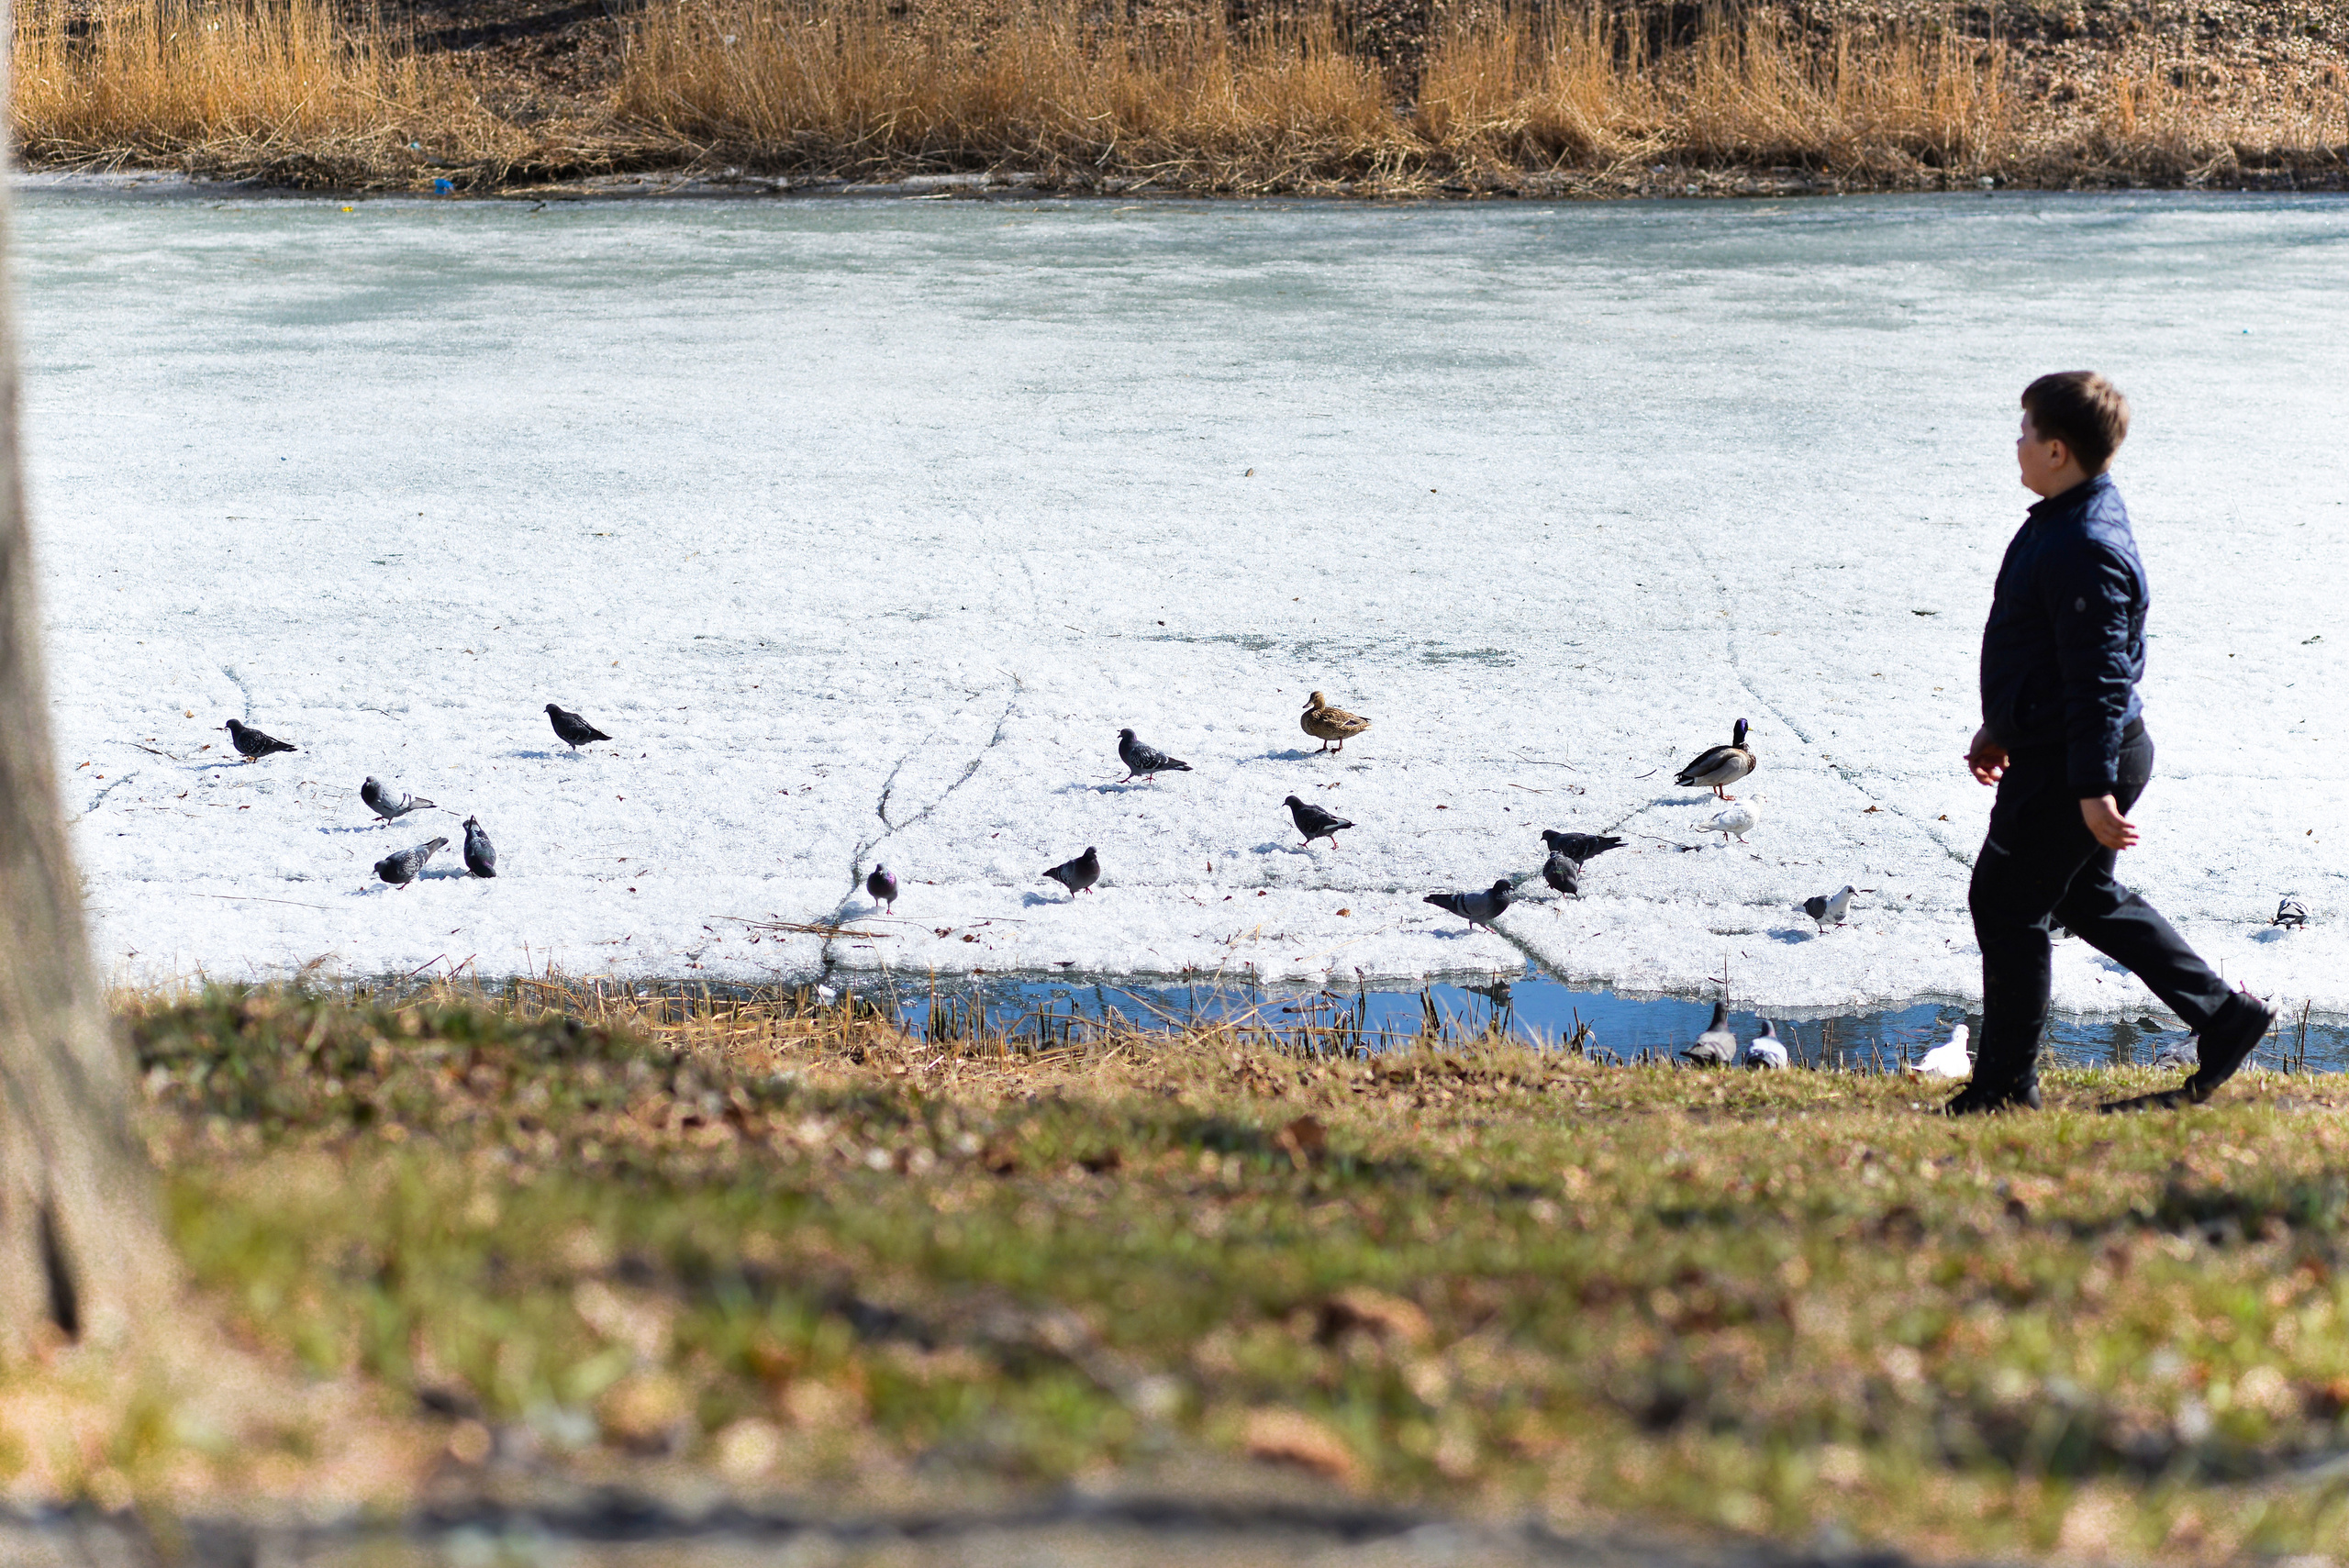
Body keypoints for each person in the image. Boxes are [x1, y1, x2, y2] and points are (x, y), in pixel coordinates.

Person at [1949, 371, 2274, 1115]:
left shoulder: (2084, 543)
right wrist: (2002, 724)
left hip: (2079, 758)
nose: (2018, 441)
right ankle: (2226, 1016)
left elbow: (2097, 676)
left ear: (2058, 450)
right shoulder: (2072, 514)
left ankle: (2003, 1088)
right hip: (2075, 746)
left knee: (2005, 905)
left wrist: (2090, 788)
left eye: (2027, 429)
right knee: (2085, 895)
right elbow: (2053, 656)